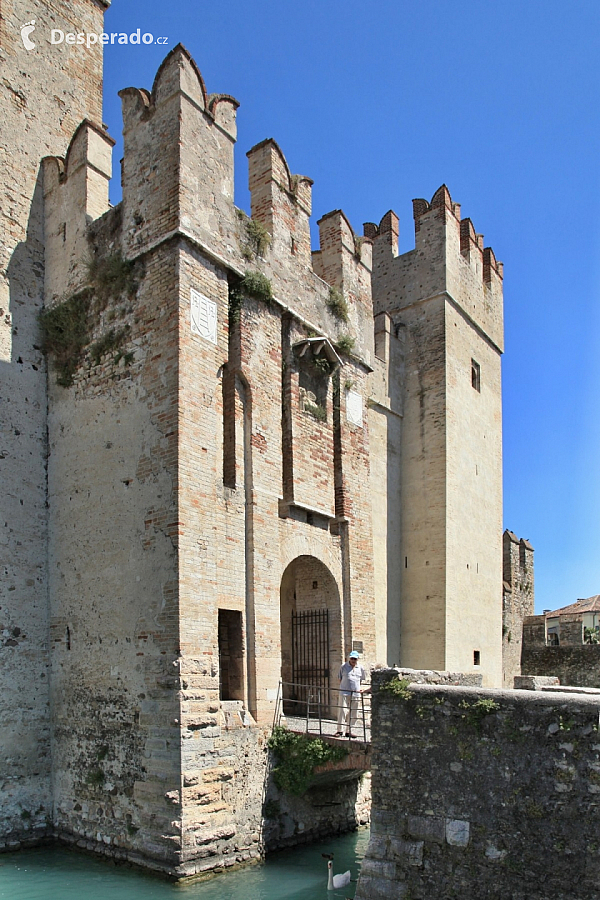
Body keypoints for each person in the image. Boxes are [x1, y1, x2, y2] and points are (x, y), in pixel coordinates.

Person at [335, 650, 366, 738]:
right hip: (344, 692)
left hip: (355, 693)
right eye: (352, 658)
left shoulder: (361, 668)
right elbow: (339, 678)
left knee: (354, 712)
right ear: (349, 658)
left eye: (355, 659)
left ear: (357, 659)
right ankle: (339, 730)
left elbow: (361, 679)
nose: (353, 660)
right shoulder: (344, 666)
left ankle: (349, 730)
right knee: (342, 711)